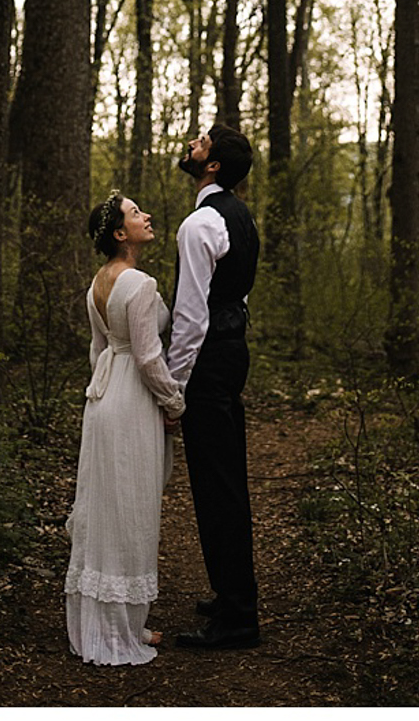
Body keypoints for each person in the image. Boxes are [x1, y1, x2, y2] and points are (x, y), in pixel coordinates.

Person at [64, 193, 186, 666]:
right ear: (119, 233)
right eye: (136, 214)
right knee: (130, 510)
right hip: (132, 399)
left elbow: (100, 351)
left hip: (103, 400)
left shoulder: (99, 281)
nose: (146, 216)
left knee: (108, 510)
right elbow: (149, 355)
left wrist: (106, 392)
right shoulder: (137, 282)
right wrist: (173, 400)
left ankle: (116, 621)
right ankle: (120, 631)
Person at [168, 123, 262, 650]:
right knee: (228, 478)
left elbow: (190, 317)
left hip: (207, 360)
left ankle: (238, 618)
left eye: (200, 142)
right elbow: (239, 297)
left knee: (216, 487)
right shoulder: (241, 217)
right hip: (233, 352)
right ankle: (231, 595)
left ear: (213, 166)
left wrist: (173, 389)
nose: (191, 144)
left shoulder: (200, 223)